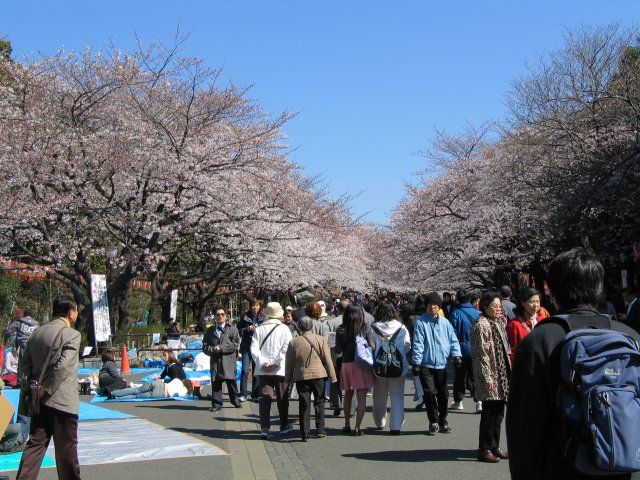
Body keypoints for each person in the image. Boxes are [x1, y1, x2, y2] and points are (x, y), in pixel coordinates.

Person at [506, 248, 640, 479]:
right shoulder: (629, 337)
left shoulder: (540, 341)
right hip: (622, 465)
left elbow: (524, 425)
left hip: (561, 465)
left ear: (552, 290)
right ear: (599, 286)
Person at [17, 295, 81, 480]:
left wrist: (34, 389)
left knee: (35, 445)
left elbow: (24, 367)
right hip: (61, 400)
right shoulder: (71, 334)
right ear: (70, 313)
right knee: (66, 449)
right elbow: (64, 367)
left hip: (38, 400)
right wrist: (48, 387)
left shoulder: (36, 333)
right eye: (76, 310)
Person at [411, 292, 462, 434]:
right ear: (426, 306)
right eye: (429, 305)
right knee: (429, 392)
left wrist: (456, 355)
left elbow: (453, 340)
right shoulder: (421, 322)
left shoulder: (445, 323)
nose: (432, 307)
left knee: (443, 394)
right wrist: (416, 362)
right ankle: (433, 420)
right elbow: (418, 343)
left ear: (439, 306)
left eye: (435, 305)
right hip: (426, 364)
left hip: (441, 364)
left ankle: (443, 421)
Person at [470, 291, 511, 463]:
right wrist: (488, 377)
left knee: (498, 412)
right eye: (494, 306)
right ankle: (484, 448)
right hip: (490, 375)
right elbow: (482, 355)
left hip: (500, 374)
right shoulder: (482, 325)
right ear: (485, 306)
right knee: (489, 413)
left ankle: (495, 446)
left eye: (499, 306)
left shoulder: (497, 323)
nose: (498, 309)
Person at [284, 316, 336, 441]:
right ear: (311, 327)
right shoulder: (320, 339)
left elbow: (289, 363)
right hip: (319, 375)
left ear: (299, 327)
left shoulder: (294, 342)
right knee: (319, 402)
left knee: (304, 403)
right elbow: (328, 359)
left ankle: (304, 432)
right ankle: (320, 430)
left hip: (302, 376)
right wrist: (333, 376)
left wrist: (288, 378)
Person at [250, 302, 293, 439]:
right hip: (279, 370)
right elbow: (287, 348)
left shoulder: (259, 329)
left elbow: (254, 348)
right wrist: (276, 363)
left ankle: (265, 427)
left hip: (263, 370)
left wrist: (263, 363)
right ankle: (284, 425)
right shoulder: (284, 329)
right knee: (282, 397)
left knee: (264, 398)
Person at [334, 304, 375, 436]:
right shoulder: (365, 327)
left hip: (347, 364)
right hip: (362, 364)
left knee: (348, 394)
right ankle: (358, 427)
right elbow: (372, 345)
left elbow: (338, 350)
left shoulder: (341, 329)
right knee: (361, 397)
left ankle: (347, 424)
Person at [370, 301, 410, 434]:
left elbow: (370, 347)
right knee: (397, 395)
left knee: (379, 394)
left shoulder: (373, 328)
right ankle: (396, 426)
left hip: (379, 366)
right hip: (398, 366)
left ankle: (379, 421)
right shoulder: (402, 327)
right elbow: (407, 347)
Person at [448, 289, 482, 413]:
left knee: (459, 376)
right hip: (476, 349)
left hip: (460, 350)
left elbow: (452, 334)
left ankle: (458, 401)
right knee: (475, 376)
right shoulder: (478, 313)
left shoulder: (455, 314)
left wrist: (452, 352)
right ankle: (479, 401)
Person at [202, 307, 241, 412]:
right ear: (215, 316)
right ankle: (216, 404)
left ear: (226, 316)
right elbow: (205, 347)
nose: (220, 316)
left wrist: (222, 348)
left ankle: (235, 401)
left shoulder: (232, 329)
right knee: (216, 382)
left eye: (222, 314)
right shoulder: (210, 331)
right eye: (218, 314)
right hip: (215, 360)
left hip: (228, 359)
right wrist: (213, 349)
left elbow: (236, 344)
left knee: (231, 381)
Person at [237, 299, 266, 402]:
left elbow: (265, 332)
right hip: (246, 346)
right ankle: (243, 394)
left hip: (258, 347)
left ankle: (255, 395)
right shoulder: (245, 317)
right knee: (245, 370)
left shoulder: (263, 318)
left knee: (256, 371)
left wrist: (257, 330)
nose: (255, 307)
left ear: (260, 307)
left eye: (257, 305)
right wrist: (247, 329)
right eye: (253, 305)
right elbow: (238, 330)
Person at [505, 288, 543, 363]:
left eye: (537, 302)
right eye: (532, 302)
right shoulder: (514, 325)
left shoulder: (542, 320)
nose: (535, 305)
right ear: (523, 303)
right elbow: (513, 352)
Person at [5, 308, 39, 385]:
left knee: (21, 364)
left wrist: (6, 339)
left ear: (24, 315)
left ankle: (20, 383)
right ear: (32, 316)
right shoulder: (37, 324)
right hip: (34, 346)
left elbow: (9, 330)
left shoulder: (19, 322)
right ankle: (32, 381)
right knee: (32, 364)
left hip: (23, 345)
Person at [110, 378, 193, 400]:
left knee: (136, 390)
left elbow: (168, 381)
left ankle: (114, 393)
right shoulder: (184, 392)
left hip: (160, 384)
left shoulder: (177, 380)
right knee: (135, 396)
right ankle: (117, 397)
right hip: (162, 393)